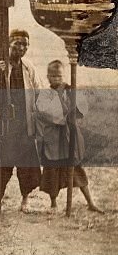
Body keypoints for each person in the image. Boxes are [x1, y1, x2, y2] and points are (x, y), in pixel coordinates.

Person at [0, 29, 44, 214]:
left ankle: (25, 201)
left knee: (27, 165)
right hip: (4, 124)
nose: (21, 48)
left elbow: (38, 90)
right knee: (1, 164)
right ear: (8, 44)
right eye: (17, 43)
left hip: (24, 123)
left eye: (25, 44)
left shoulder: (28, 67)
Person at [36, 60, 102, 213]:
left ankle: (90, 202)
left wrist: (73, 100)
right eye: (53, 76)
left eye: (59, 76)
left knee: (76, 168)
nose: (56, 79)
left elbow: (80, 110)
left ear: (63, 75)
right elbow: (46, 112)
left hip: (68, 136)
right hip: (53, 138)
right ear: (47, 77)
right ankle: (53, 203)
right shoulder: (45, 94)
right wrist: (60, 100)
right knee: (52, 170)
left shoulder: (70, 90)